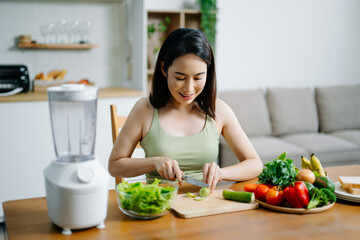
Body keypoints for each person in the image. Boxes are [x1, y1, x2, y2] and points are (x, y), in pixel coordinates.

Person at [109, 28, 263, 192]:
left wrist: (221, 172)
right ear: (164, 69)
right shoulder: (144, 109)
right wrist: (154, 162)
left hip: (205, 206)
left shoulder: (219, 110)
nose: (189, 88)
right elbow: (114, 166)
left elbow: (255, 163)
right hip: (161, 205)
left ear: (208, 73)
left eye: (198, 78)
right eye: (180, 78)